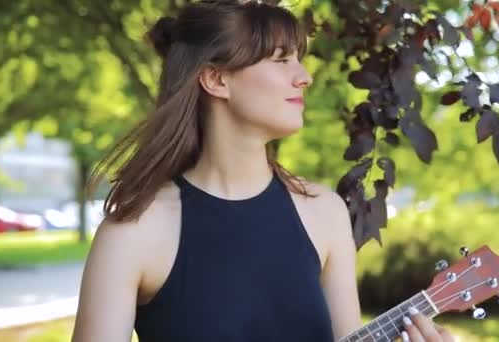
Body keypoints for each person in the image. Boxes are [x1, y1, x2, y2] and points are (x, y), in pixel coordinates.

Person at [71, 1, 454, 341]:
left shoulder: (325, 212)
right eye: (282, 59)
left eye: (299, 59)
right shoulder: (133, 232)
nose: (304, 76)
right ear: (217, 79)